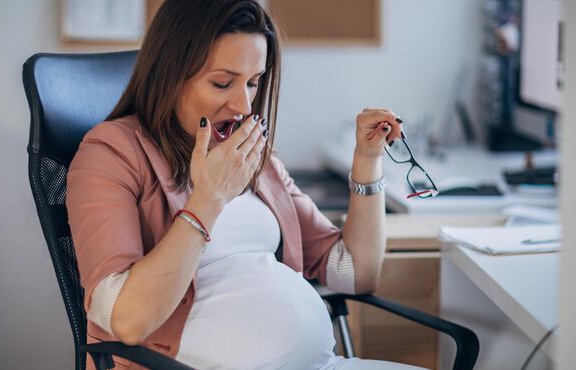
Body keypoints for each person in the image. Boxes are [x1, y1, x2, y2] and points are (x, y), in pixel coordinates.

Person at [66, 0, 420, 369]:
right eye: (223, 82)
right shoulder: (111, 152)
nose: (244, 105)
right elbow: (127, 319)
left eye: (253, 83)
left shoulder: (252, 160)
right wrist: (209, 198)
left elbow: (353, 272)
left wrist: (367, 160)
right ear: (169, 75)